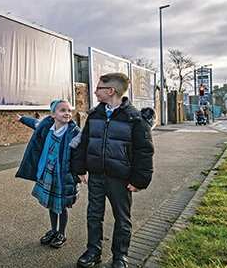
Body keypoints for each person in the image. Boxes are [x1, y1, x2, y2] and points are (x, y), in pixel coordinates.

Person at [72, 73, 155, 268]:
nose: (95, 92)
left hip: (120, 179)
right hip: (96, 177)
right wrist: (79, 167)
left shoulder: (135, 119)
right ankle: (93, 251)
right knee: (93, 215)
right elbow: (84, 142)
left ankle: (120, 255)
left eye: (98, 88)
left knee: (122, 218)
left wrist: (139, 180)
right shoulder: (94, 115)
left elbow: (144, 151)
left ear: (111, 91)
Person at [15, 99, 82, 249]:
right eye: (62, 110)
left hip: (62, 175)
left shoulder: (75, 132)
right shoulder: (46, 127)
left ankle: (61, 233)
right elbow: (34, 123)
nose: (67, 113)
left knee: (62, 205)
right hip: (48, 173)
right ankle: (53, 230)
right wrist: (22, 119)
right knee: (51, 205)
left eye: (69, 110)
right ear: (53, 114)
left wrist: (79, 174)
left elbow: (81, 154)